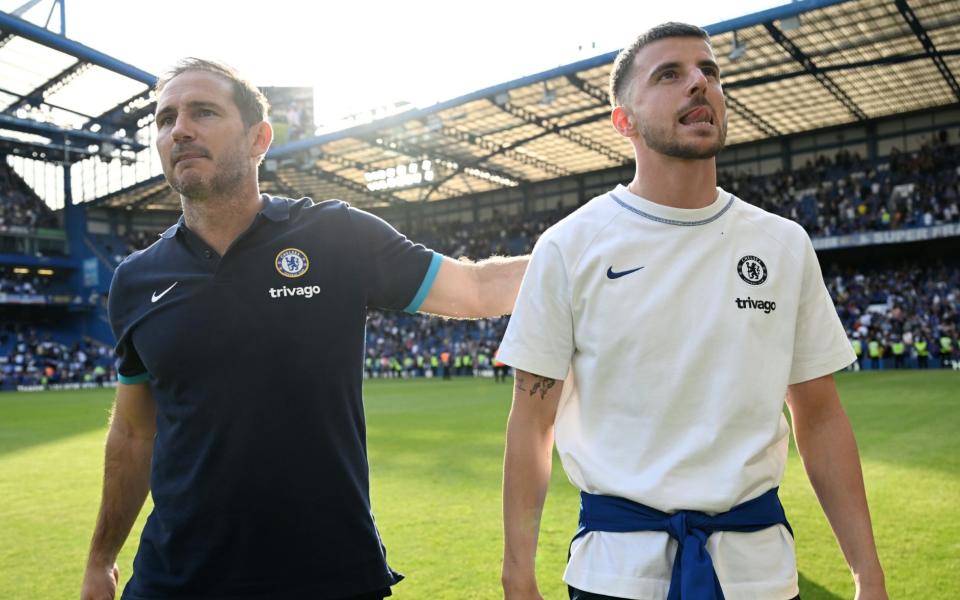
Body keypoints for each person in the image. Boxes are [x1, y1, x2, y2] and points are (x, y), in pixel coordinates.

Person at [80, 58, 527, 600]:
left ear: (258, 139)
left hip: (328, 576)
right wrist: (101, 559)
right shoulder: (134, 280)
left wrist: (594, 250)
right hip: (173, 582)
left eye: (203, 111)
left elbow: (476, 290)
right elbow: (132, 434)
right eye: (165, 117)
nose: (181, 129)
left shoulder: (335, 234)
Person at [498, 23, 887, 600]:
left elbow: (821, 415)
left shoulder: (783, 244)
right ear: (623, 120)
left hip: (760, 574)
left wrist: (867, 573)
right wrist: (517, 577)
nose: (700, 83)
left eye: (710, 71)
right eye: (670, 74)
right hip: (615, 573)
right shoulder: (569, 246)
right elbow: (534, 423)